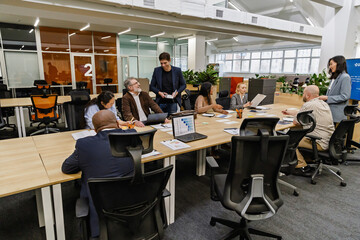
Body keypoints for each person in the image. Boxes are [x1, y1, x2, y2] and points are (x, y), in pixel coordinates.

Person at [62, 110, 135, 238]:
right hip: (133, 205)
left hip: (100, 211)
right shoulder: (131, 135)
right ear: (118, 124)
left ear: (95, 130)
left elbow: (67, 168)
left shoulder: (84, 145)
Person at [283, 85, 335, 177]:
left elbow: (295, 122)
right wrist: (294, 113)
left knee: (290, 140)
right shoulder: (323, 103)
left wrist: (295, 115)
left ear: (307, 95)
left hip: (319, 142)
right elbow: (306, 114)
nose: (303, 95)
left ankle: (302, 166)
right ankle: (307, 159)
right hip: (329, 140)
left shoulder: (308, 105)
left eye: (303, 93)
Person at [318, 55, 351, 124]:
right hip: (329, 112)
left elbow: (345, 96)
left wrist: (327, 98)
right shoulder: (334, 77)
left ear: (339, 64)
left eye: (331, 64)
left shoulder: (345, 77)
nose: (330, 67)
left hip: (336, 113)